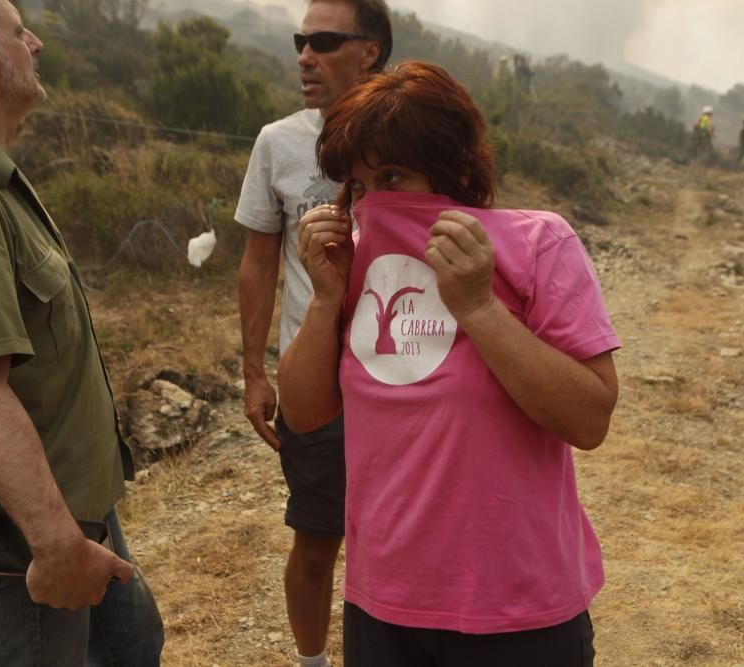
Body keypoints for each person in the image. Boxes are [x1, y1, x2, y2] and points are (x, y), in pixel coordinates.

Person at [279, 61, 620, 666]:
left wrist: (481, 308)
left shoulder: (539, 244)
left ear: (455, 170)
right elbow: (304, 414)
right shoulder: (351, 264)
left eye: (392, 175)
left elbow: (589, 418)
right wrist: (327, 296)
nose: (374, 203)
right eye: (358, 186)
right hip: (384, 604)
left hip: (519, 609)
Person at [0, 0, 164, 665]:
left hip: (72, 502)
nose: (38, 42)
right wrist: (55, 546)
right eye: (18, 32)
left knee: (135, 644)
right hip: (28, 534)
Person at [233, 1, 392, 665]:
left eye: (324, 41)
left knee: (398, 541)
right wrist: (253, 371)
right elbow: (258, 260)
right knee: (317, 538)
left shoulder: (413, 138)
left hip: (400, 379)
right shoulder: (277, 142)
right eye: (301, 40)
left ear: (370, 52)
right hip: (316, 385)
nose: (304, 55)